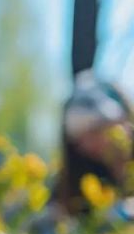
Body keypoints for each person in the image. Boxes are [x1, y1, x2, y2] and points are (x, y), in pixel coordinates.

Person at [56, 70, 133, 218]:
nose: (89, 145)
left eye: (96, 130)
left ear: (124, 120)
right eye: (80, 139)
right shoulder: (82, 178)